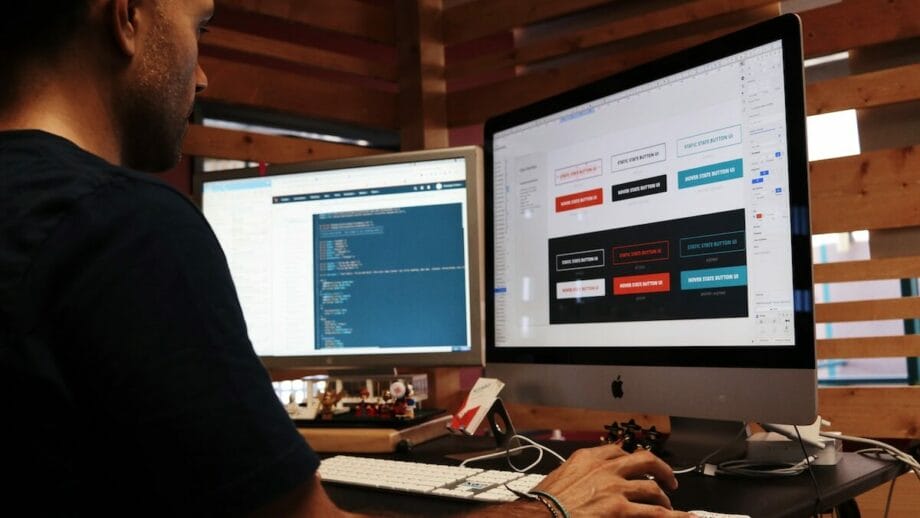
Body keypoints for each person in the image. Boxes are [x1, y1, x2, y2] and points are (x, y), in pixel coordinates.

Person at [0, 1, 690, 516]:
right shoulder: (122, 227)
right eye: (200, 27)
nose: (202, 74)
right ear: (127, 16)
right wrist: (555, 507)